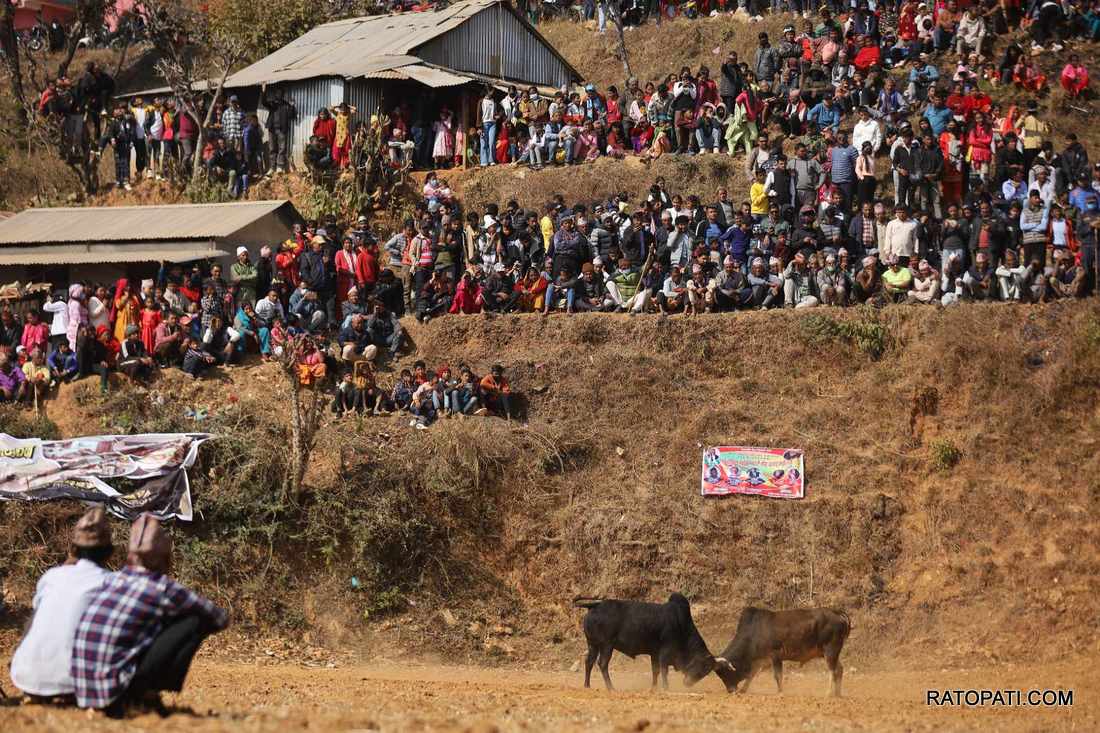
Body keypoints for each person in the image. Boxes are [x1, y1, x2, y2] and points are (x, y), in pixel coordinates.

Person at [72, 513, 228, 716]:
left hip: (83, 694)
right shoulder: (162, 587)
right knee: (194, 620)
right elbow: (219, 618)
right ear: (163, 558)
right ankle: (145, 696)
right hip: (116, 696)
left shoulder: (112, 580)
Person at [9, 507, 114, 701]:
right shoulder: (112, 582)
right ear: (110, 552)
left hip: (26, 676)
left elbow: (33, 621)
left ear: (73, 549)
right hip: (77, 684)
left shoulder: (52, 576)